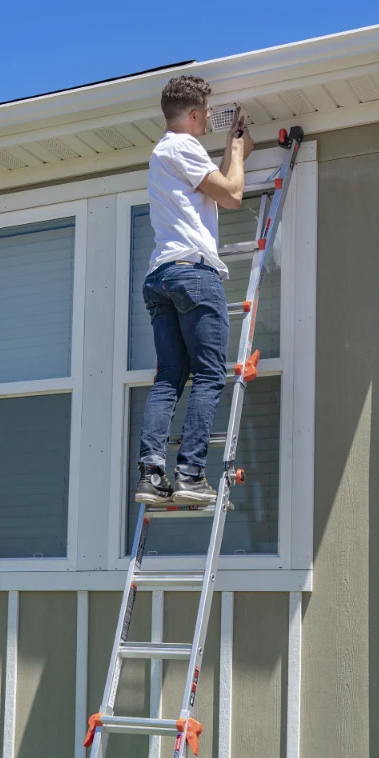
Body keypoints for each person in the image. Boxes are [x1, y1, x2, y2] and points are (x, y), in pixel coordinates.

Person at [135, 75, 254, 507]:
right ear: (192, 114)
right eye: (203, 113)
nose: (206, 120)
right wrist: (238, 153)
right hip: (193, 274)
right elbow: (234, 194)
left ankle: (151, 475)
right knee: (208, 374)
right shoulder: (182, 146)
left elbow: (211, 188)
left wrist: (226, 157)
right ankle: (190, 474)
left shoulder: (161, 155)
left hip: (161, 277)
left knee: (170, 377)